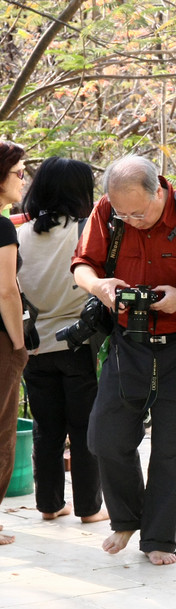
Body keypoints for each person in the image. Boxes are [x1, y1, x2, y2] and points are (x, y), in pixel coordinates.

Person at [71, 155, 176, 565]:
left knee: (175, 447)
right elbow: (82, 266)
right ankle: (127, 518)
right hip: (128, 341)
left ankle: (160, 538)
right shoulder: (106, 214)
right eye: (122, 213)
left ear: (158, 191)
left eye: (139, 212)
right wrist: (99, 286)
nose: (131, 220)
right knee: (105, 437)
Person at [18, 157, 108, 524]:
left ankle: (50, 504)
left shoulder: (19, 235)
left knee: (47, 428)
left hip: (34, 346)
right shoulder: (87, 232)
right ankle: (89, 507)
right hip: (78, 345)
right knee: (85, 428)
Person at [0, 141, 29, 546]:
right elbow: (7, 292)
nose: (24, 179)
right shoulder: (3, 227)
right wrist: (20, 346)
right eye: (19, 171)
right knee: (2, 432)